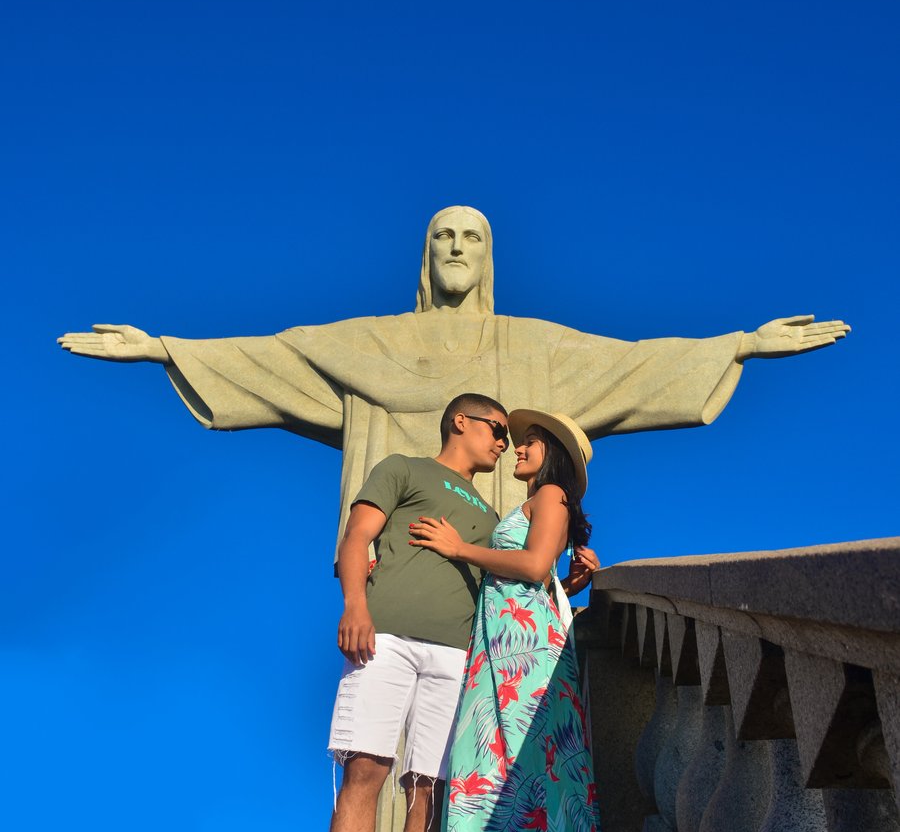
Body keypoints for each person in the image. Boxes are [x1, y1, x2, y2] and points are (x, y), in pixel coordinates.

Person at [57, 204, 850, 561]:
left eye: (472, 236)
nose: (457, 247)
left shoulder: (532, 346)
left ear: (490, 255)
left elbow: (632, 363)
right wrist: (165, 349)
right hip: (400, 566)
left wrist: (740, 343)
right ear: (425, 254)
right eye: (443, 236)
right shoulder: (370, 343)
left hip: (503, 565)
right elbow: (276, 358)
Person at [284, 392, 509, 832]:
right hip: (384, 641)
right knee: (365, 770)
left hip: (457, 657)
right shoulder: (402, 469)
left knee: (428, 792)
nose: (504, 442)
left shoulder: (488, 517)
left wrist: (573, 579)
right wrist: (355, 605)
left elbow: (516, 581)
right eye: (497, 429)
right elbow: (356, 538)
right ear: (461, 421)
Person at [409, 409, 609, 832]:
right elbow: (541, 569)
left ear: (555, 455)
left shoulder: (551, 499)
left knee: (527, 784)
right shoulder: (530, 505)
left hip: (529, 661)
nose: (517, 449)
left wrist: (458, 549)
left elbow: (533, 561)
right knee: (499, 785)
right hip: (501, 654)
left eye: (530, 443)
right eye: (517, 442)